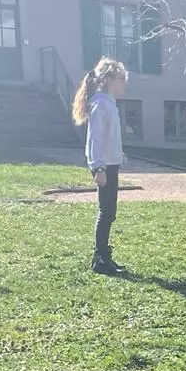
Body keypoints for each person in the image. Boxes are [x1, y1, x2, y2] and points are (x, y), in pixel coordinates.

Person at [72, 58, 129, 276]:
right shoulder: (100, 104)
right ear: (109, 80)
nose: (124, 84)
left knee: (109, 212)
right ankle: (100, 259)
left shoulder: (108, 103)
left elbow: (109, 137)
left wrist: (118, 155)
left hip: (111, 164)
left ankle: (104, 255)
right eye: (121, 80)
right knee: (106, 212)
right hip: (104, 167)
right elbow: (94, 139)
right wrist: (98, 168)